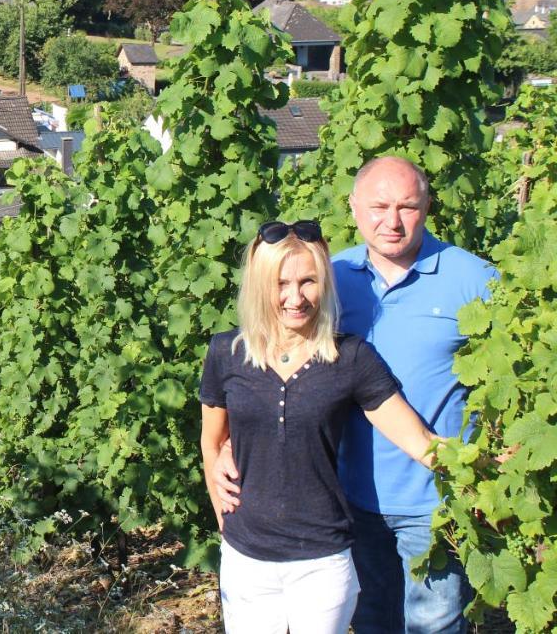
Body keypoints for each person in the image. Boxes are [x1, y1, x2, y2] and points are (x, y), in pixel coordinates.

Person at [211, 157, 496, 633]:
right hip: (347, 499)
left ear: (427, 207)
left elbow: (508, 376)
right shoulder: (325, 277)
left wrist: (486, 469)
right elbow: (258, 369)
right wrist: (226, 444)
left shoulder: (476, 280)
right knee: (371, 623)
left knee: (436, 623)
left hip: (435, 499)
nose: (392, 220)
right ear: (354, 206)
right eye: (379, 205)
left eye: (407, 206)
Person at [200, 219, 441, 633]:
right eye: (281, 284)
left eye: (308, 282)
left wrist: (482, 465)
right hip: (247, 560)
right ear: (260, 286)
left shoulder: (350, 358)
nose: (296, 298)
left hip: (322, 560)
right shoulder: (226, 352)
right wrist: (227, 519)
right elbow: (212, 441)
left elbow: (418, 440)